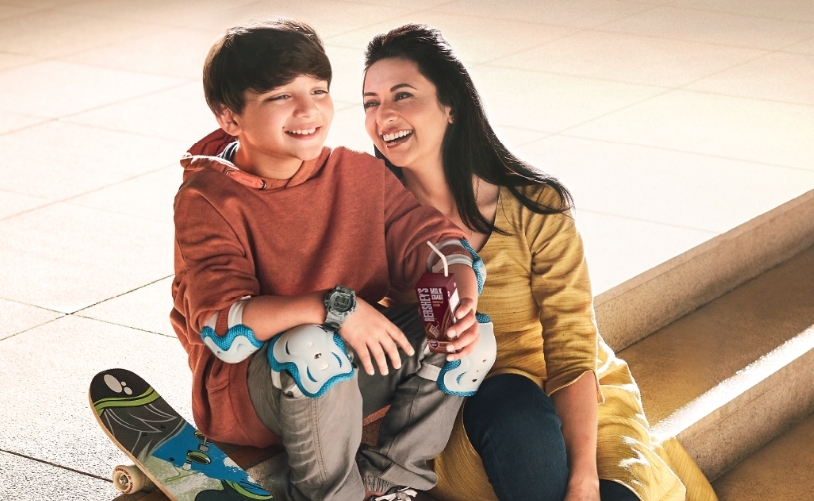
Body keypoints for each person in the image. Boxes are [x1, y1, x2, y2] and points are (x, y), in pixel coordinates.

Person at [361, 24, 718, 501]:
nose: (383, 115)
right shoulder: (374, 221)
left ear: (451, 106)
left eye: (401, 95)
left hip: (578, 405)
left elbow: (572, 351)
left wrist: (583, 478)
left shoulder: (534, 205)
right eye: (370, 102)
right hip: (465, 416)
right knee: (511, 399)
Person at [170, 19, 493, 501]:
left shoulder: (358, 172)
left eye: (318, 90)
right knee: (311, 346)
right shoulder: (207, 198)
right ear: (230, 118)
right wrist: (336, 307)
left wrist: (460, 306)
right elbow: (224, 328)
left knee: (473, 339)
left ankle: (390, 486)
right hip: (251, 390)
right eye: (281, 96)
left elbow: (436, 243)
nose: (308, 110)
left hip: (349, 367)